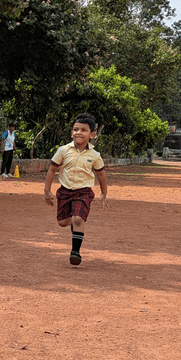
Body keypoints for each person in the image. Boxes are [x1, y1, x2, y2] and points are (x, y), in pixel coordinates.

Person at [44, 113, 109, 266]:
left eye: (84, 130)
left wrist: (104, 193)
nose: (79, 133)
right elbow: (52, 170)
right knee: (62, 222)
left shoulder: (95, 155)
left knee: (78, 219)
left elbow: (101, 174)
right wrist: (47, 190)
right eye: (76, 129)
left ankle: (75, 252)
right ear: (71, 132)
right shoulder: (63, 150)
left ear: (92, 134)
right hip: (65, 191)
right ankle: (75, 222)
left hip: (83, 192)